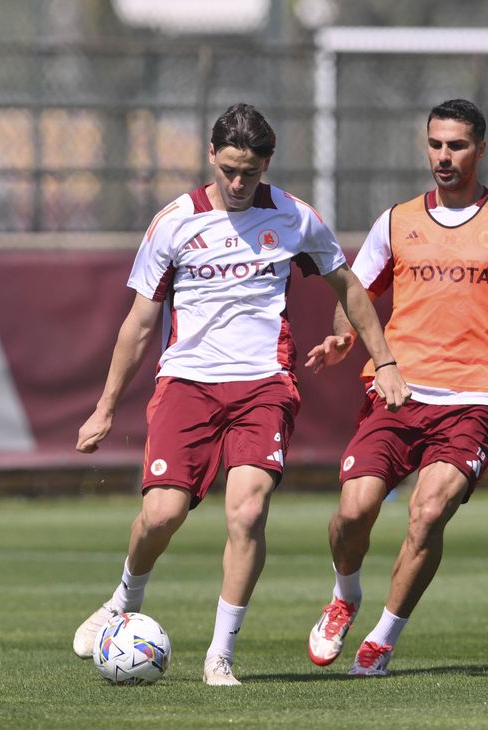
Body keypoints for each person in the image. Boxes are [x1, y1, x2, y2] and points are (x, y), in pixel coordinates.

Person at [71, 103, 410, 686]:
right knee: (162, 513)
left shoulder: (295, 218)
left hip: (263, 384)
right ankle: (122, 599)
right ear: (211, 156)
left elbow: (349, 286)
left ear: (266, 165)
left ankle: (220, 654)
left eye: (248, 173)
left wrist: (385, 361)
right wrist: (105, 408)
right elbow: (138, 324)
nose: (236, 183)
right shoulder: (173, 222)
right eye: (228, 170)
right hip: (188, 383)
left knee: (248, 511)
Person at [304, 98, 488, 676]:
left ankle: (383, 639)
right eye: (436, 145)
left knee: (427, 513)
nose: (444, 157)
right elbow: (356, 291)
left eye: (457, 146)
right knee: (353, 511)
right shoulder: (396, 220)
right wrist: (343, 336)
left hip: (474, 398)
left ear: (481, 149)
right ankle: (346, 596)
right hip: (398, 390)